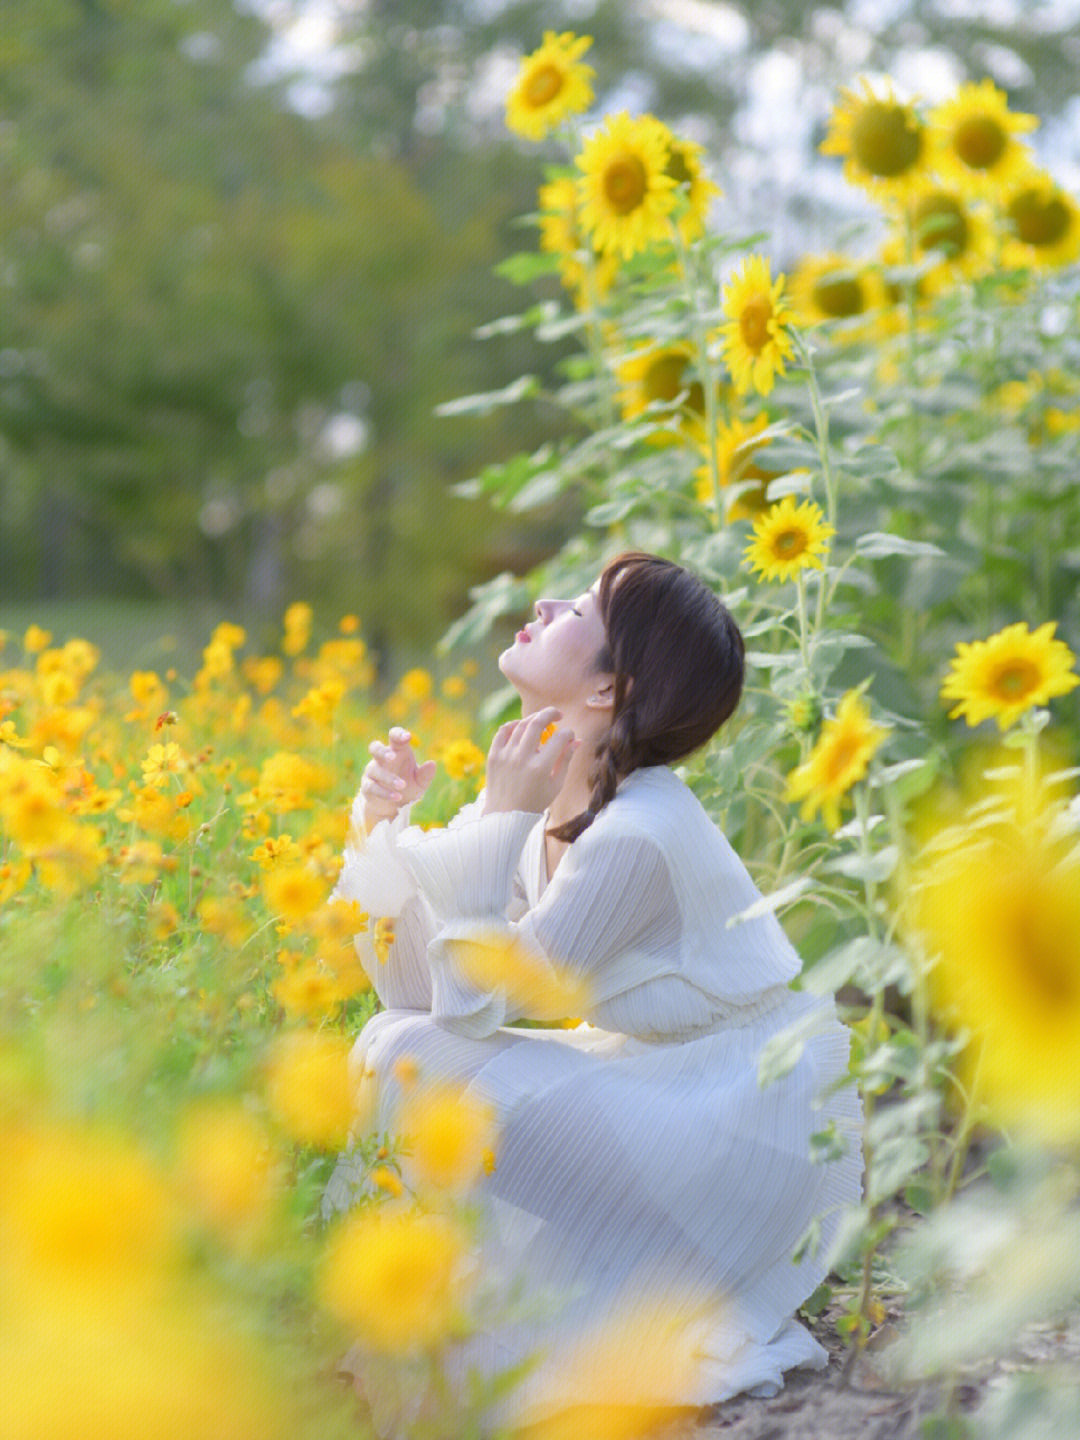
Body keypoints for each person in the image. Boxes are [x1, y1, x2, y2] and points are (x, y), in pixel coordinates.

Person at [326, 551, 863, 1433]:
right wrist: (381, 829)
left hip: (733, 1131)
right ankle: (404, 1309)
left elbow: (472, 1007)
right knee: (396, 1043)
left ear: (611, 690)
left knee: (410, 1057)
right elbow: (416, 988)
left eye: (578, 608)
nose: (542, 603)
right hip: (667, 1092)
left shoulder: (637, 834)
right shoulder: (556, 807)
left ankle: (443, 1319)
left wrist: (494, 818)